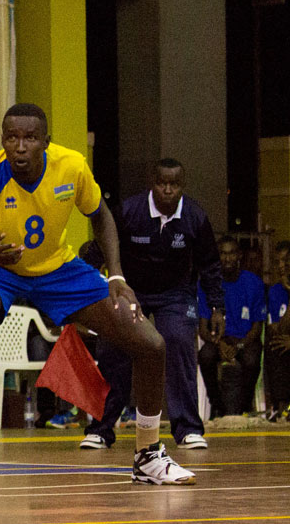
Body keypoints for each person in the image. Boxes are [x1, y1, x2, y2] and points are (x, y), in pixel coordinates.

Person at [0, 103, 196, 494]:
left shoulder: (71, 166)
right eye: (11, 138)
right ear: (3, 140)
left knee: (151, 343)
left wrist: (117, 275)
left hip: (59, 270)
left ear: (46, 141)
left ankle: (148, 455)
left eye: (29, 138)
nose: (19, 146)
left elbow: (101, 216)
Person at [80, 157, 224, 451]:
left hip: (176, 293)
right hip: (130, 291)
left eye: (174, 184)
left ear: (182, 186)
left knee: (178, 342)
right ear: (152, 183)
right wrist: (81, 294)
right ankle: (101, 428)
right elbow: (99, 250)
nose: (167, 190)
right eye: (162, 183)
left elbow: (210, 266)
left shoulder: (195, 217)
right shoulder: (129, 211)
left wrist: (217, 307)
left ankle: (187, 429)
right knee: (114, 349)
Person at [197, 236, 265, 417]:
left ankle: (243, 409)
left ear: (239, 255)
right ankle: (217, 406)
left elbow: (257, 327)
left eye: (231, 253)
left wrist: (238, 346)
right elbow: (202, 328)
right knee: (205, 356)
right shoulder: (207, 283)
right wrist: (220, 345)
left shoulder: (254, 283)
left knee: (252, 360)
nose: (227, 258)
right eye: (222, 253)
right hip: (218, 339)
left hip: (245, 340)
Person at [265, 240, 290, 421]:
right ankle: (280, 405)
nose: (282, 267)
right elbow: (277, 330)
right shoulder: (275, 291)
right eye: (278, 262)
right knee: (274, 344)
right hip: (285, 342)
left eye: (286, 262)